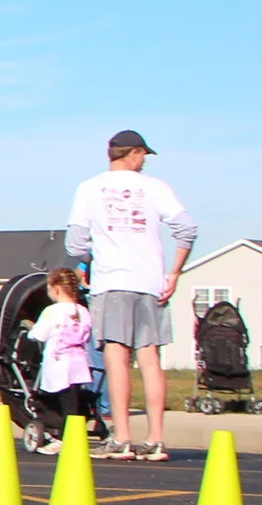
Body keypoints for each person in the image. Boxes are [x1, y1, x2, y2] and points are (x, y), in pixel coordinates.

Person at [68, 129, 197, 461]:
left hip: (111, 281)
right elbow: (187, 229)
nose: (144, 162)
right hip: (150, 282)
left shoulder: (89, 188)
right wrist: (175, 271)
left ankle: (122, 437)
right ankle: (156, 440)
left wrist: (91, 260)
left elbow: (76, 243)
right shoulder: (155, 187)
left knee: (116, 358)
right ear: (135, 153)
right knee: (150, 360)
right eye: (143, 155)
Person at [28, 265, 97, 450]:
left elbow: (39, 335)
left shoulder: (52, 311)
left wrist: (30, 332)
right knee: (72, 400)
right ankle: (71, 433)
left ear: (56, 288)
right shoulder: (83, 311)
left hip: (58, 363)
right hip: (78, 362)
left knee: (59, 402)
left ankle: (65, 437)